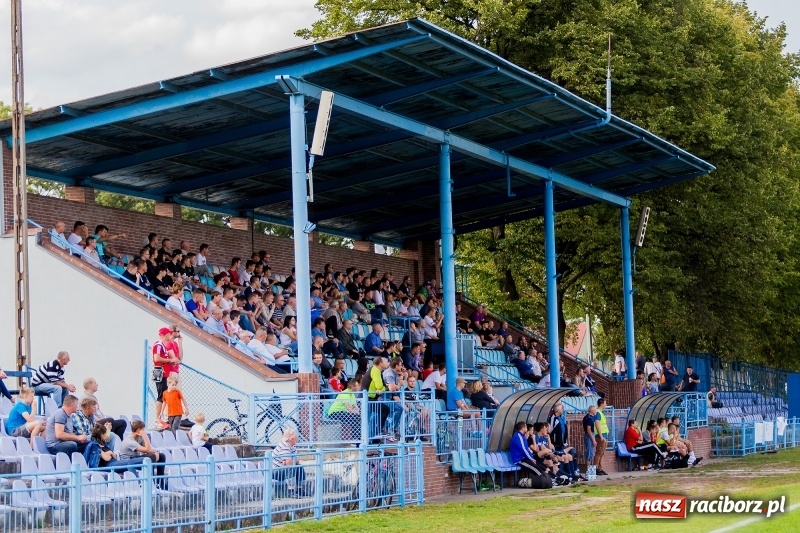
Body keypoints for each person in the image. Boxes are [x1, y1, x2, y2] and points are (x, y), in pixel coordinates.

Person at [119, 420, 167, 487]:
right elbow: (147, 450)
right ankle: (151, 482)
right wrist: (145, 436)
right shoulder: (129, 441)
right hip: (129, 461)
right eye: (143, 430)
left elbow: (148, 449)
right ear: (139, 430)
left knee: (161, 456)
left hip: (136, 459)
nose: (144, 431)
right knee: (152, 457)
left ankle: (160, 482)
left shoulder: (139, 437)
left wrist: (156, 453)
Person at [152, 327, 181, 429]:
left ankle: (160, 418)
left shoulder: (161, 346)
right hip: (159, 371)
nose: (169, 336)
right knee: (161, 395)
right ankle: (157, 419)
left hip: (161, 371)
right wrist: (169, 360)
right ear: (164, 335)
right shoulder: (158, 345)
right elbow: (157, 358)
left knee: (163, 395)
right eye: (168, 334)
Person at [272, 429, 307, 497]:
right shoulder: (284, 446)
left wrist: (288, 461)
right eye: (296, 437)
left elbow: (297, 461)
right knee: (291, 468)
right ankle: (290, 491)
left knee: (299, 467)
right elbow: (289, 463)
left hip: (282, 469)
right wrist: (289, 461)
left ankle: (300, 490)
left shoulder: (292, 446)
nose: (297, 438)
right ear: (292, 438)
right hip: (274, 472)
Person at [593, 398, 609, 475]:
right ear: (601, 403)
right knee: (599, 452)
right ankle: (595, 468)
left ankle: (599, 468)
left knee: (601, 453)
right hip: (600, 436)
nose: (606, 404)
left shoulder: (601, 413)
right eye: (605, 402)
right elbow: (597, 424)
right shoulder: (598, 412)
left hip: (604, 435)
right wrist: (600, 435)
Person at [582, 405, 598, 474]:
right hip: (589, 436)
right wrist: (593, 440)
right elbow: (588, 430)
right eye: (595, 410)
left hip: (589, 435)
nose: (596, 411)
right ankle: (588, 470)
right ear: (592, 410)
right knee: (589, 452)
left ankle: (590, 469)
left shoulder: (587, 417)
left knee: (591, 453)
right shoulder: (589, 418)